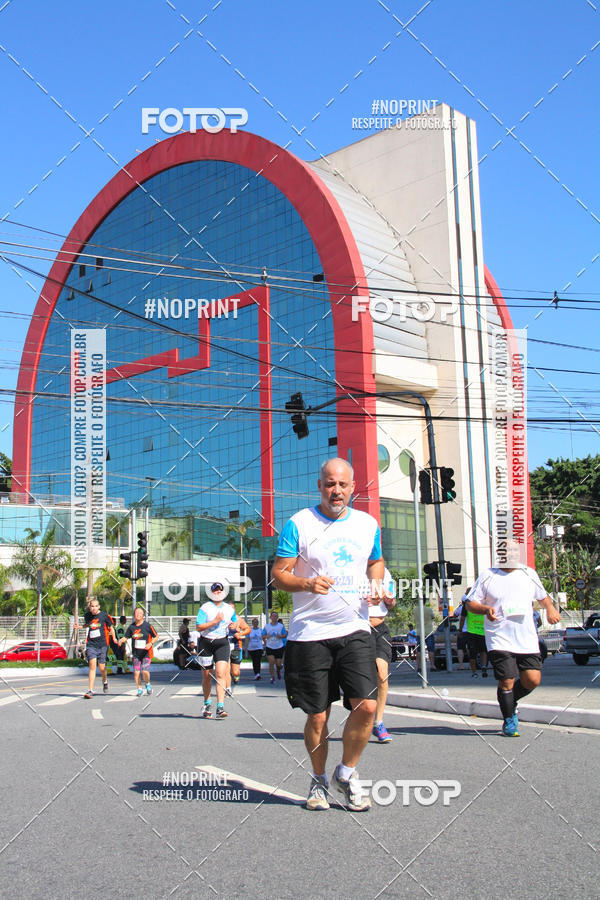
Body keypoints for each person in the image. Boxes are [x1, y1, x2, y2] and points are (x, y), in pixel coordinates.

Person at [272, 457, 384, 812]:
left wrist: (377, 583)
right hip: (309, 634)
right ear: (319, 486)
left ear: (353, 487)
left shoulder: (368, 524)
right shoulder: (299, 524)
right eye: (329, 484)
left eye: (343, 485)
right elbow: (279, 574)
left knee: (366, 706)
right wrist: (305, 582)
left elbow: (375, 561)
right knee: (318, 715)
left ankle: (347, 773)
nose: (336, 491)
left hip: (354, 628)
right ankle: (318, 779)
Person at [465, 552, 561, 737]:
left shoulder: (529, 573)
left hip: (526, 637)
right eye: (507, 552)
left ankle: (511, 700)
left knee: (532, 680)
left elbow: (543, 596)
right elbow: (470, 603)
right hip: (499, 636)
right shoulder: (488, 575)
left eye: (515, 552)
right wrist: (485, 609)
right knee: (507, 679)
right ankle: (509, 720)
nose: (512, 555)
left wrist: (550, 608)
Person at [196, 582, 238, 719]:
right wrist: (215, 621)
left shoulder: (229, 609)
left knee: (221, 673)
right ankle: (207, 703)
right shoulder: (205, 608)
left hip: (222, 643)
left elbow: (235, 623)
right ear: (211, 593)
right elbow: (199, 627)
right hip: (206, 642)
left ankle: (220, 706)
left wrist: (233, 626)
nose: (218, 592)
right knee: (207, 676)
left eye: (220, 590)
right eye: (215, 590)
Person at [368, 567, 396, 743]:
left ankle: (378, 722)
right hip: (358, 629)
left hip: (380, 630)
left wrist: (388, 599)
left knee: (382, 674)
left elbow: (392, 604)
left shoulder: (385, 573)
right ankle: (361, 717)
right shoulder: (353, 568)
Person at [81, 598, 117, 699]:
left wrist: (113, 638)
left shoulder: (104, 615)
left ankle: (105, 682)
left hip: (102, 645)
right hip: (91, 645)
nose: (94, 608)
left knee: (101, 668)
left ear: (99, 607)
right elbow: (88, 625)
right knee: (92, 666)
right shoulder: (87, 615)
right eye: (92, 606)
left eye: (96, 606)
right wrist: (80, 627)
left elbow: (111, 628)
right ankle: (90, 690)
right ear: (89, 607)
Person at [120, 607, 158, 696]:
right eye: (136, 613)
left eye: (140, 613)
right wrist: (121, 640)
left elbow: (156, 636)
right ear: (134, 615)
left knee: (145, 671)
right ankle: (139, 689)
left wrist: (150, 644)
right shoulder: (131, 627)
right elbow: (126, 636)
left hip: (145, 653)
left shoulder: (148, 626)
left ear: (143, 615)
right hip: (136, 654)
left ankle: (148, 684)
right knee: (136, 673)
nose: (138, 614)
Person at [460, 588, 488, 678]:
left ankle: (474, 672)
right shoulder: (484, 602)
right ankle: (483, 666)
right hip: (482, 630)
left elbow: (462, 618)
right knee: (483, 651)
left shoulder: (467, 604)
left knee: (472, 653)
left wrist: (460, 629)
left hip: (471, 631)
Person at [226, 615, 251, 696]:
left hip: (236, 648)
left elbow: (248, 629)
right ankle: (228, 688)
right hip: (224, 647)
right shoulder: (222, 618)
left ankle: (236, 676)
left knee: (235, 671)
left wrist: (240, 634)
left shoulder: (238, 619)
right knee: (226, 669)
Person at [263, 610, 287, 683]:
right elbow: (263, 635)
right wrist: (266, 637)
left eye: (276, 616)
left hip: (279, 646)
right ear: (270, 617)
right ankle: (272, 677)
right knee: (271, 662)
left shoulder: (281, 626)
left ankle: (278, 670)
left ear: (277, 618)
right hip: (270, 646)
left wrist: (280, 636)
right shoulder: (267, 626)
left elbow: (285, 635)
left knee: (278, 664)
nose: (274, 617)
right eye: (273, 616)